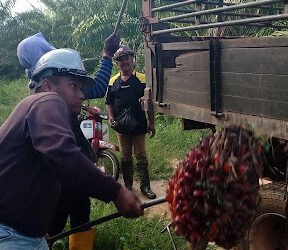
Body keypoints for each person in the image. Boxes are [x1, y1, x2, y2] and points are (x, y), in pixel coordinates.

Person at [0, 48, 144, 250]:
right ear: (47, 85)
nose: (82, 95)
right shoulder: (48, 100)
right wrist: (116, 192)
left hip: (22, 233)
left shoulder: (34, 107)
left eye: (81, 88)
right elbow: (62, 154)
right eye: (74, 86)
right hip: (9, 235)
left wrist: (37, 229)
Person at [16, 32, 120, 249]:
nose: (80, 93)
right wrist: (107, 56)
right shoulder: (54, 86)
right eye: (76, 86)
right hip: (65, 171)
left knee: (67, 217)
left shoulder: (37, 86)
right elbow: (99, 87)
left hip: (61, 173)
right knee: (61, 220)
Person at [106, 45, 156, 199]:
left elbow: (150, 103)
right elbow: (108, 102)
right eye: (120, 60)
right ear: (117, 63)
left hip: (139, 125)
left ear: (132, 59)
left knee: (141, 155)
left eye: (127, 58)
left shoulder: (142, 79)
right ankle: (128, 185)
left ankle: (145, 186)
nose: (124, 62)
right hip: (122, 127)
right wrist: (110, 116)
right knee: (125, 156)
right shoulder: (113, 81)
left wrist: (152, 123)